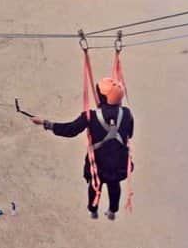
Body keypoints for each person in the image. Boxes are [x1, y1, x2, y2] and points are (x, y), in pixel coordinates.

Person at [31, 78, 133, 220]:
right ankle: (112, 211)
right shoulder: (126, 114)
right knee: (114, 185)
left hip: (98, 163)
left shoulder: (90, 116)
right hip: (118, 162)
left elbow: (70, 130)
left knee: (94, 185)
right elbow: (130, 133)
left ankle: (93, 210)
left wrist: (45, 123)